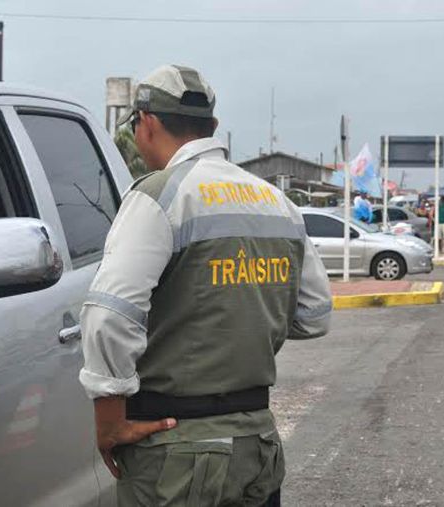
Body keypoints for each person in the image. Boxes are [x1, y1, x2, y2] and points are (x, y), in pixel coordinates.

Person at [78, 65, 332, 506]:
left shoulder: (159, 196)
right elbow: (314, 316)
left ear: (147, 123)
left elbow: (109, 317)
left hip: (173, 453)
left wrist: (110, 421)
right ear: (212, 127)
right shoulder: (278, 203)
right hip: (257, 446)